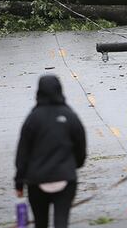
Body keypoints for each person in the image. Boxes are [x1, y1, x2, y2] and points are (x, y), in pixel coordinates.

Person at [15, 74, 86, 228]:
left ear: (38, 92)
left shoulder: (32, 119)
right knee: (61, 221)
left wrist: (19, 182)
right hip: (65, 178)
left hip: (37, 181)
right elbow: (81, 145)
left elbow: (22, 154)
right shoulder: (70, 115)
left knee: (40, 223)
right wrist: (75, 165)